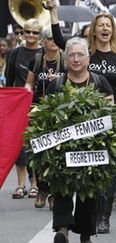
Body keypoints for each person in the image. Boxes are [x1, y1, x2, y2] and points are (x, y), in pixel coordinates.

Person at [47, 0, 116, 234]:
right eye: (101, 25)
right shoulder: (84, 51)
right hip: (67, 136)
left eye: (109, 25)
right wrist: (54, 12)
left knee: (98, 181)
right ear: (93, 30)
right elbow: (60, 41)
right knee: (64, 180)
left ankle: (96, 223)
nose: (76, 59)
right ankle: (63, 228)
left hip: (102, 128)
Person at [46, 37, 113, 243]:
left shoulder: (100, 81)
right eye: (72, 55)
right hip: (62, 147)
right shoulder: (56, 84)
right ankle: (63, 228)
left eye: (80, 55)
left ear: (88, 58)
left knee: (89, 190)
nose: (75, 59)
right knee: (62, 185)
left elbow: (111, 113)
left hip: (92, 146)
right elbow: (44, 115)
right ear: (66, 58)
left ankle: (85, 234)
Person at [25, 27, 66, 208]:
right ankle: (42, 189)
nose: (53, 41)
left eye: (55, 38)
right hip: (38, 111)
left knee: (57, 152)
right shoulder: (37, 59)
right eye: (49, 38)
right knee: (39, 151)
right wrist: (24, 93)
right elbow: (29, 83)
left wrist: (57, 79)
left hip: (60, 111)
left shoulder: (65, 60)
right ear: (43, 42)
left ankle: (54, 194)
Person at [5, 18, 43, 200]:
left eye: (35, 32)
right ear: (22, 32)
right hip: (18, 106)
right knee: (18, 145)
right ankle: (21, 185)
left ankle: (35, 184)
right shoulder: (15, 53)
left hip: (38, 106)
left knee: (35, 145)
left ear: (40, 35)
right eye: (27, 31)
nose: (30, 35)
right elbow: (9, 81)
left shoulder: (43, 54)